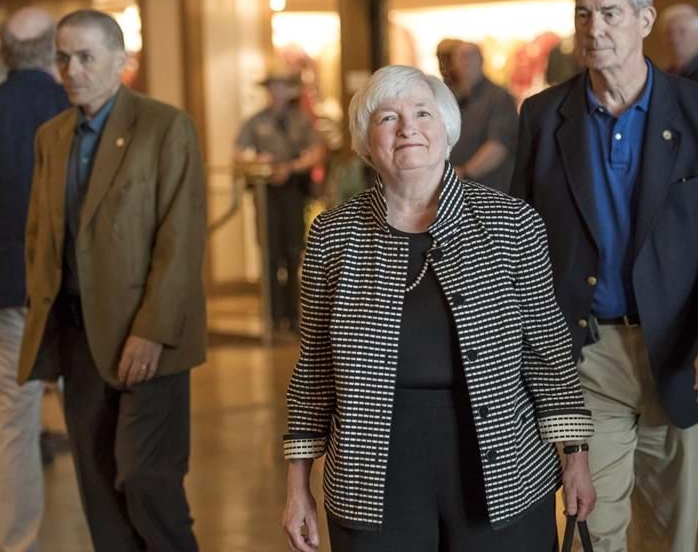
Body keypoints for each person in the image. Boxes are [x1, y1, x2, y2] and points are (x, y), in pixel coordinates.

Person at [282, 65, 596, 552]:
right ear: (368, 141)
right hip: (371, 478)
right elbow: (315, 370)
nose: (407, 128)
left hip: (502, 465)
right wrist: (297, 485)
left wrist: (575, 459)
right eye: (388, 117)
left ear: (447, 130)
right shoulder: (333, 235)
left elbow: (548, 353)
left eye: (422, 113)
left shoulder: (512, 223)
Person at [511, 0, 698, 550]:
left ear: (645, 20)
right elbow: (521, 236)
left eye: (610, 13)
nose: (593, 28)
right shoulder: (542, 115)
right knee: (591, 531)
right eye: (583, 14)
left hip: (681, 354)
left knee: (671, 536)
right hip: (586, 353)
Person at [18, 9, 206, 551]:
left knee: (146, 479)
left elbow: (181, 238)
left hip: (149, 338)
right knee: (99, 491)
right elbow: (41, 236)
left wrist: (152, 330)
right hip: (79, 338)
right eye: (62, 57)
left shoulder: (165, 126)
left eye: (85, 57)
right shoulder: (51, 137)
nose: (72, 69)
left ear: (120, 61)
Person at [0, 7, 69, 552]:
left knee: (11, 417)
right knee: (94, 419)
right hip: (76, 290)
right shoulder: (76, 109)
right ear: (54, 50)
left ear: (4, 52)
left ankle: (15, 543)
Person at [235, 61, 325, 332]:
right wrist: (260, 164)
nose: (276, 92)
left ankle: (296, 314)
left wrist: (291, 168)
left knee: (294, 250)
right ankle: (273, 314)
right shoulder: (257, 121)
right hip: (266, 192)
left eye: (281, 86)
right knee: (270, 252)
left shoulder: (302, 120)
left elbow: (317, 151)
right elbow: (239, 152)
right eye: (272, 87)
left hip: (294, 191)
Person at [448, 42, 518, 193]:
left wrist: (464, 172)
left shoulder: (500, 97)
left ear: (481, 60)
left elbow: (499, 146)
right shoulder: (451, 97)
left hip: (489, 189)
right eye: (459, 56)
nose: (464, 60)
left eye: (470, 55)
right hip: (455, 189)